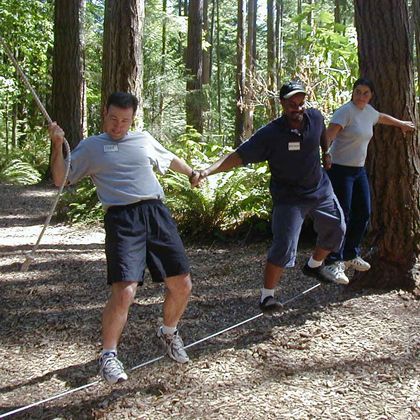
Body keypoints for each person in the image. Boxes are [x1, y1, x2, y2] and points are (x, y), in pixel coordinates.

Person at [48, 92, 199, 385]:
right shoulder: (92, 147)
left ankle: (168, 333)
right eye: (114, 119)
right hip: (122, 219)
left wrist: (191, 172)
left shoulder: (142, 139)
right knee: (125, 290)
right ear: (105, 112)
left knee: (182, 285)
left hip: (156, 213)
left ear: (133, 119)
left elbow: (170, 158)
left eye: (125, 121)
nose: (118, 126)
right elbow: (59, 178)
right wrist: (56, 144)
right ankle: (108, 356)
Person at [194, 81, 348, 314]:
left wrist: (326, 152)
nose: (297, 107)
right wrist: (206, 172)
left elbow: (322, 135)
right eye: (291, 103)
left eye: (300, 102)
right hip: (289, 197)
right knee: (284, 245)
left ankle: (314, 266)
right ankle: (267, 297)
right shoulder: (270, 134)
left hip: (319, 189)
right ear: (282, 103)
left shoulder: (315, 117)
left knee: (337, 228)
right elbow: (238, 156)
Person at [322, 77, 415, 274]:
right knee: (342, 215)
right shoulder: (345, 111)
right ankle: (333, 260)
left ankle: (350, 254)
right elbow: (329, 135)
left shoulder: (368, 112)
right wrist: (325, 153)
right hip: (339, 170)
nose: (361, 96)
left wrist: (401, 124)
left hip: (358, 171)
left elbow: (381, 117)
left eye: (366, 93)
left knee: (363, 213)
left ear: (371, 95)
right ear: (353, 92)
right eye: (358, 92)